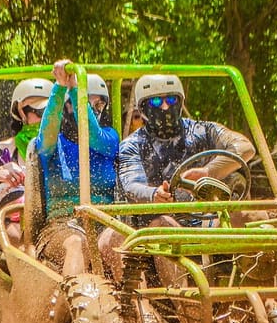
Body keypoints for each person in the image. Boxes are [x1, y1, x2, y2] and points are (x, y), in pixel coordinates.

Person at [100, 74, 256, 282]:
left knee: (250, 216)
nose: (164, 107)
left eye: (171, 100)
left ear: (180, 101)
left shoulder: (201, 130)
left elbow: (245, 147)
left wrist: (209, 171)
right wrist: (154, 194)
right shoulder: (132, 145)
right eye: (156, 101)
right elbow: (131, 185)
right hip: (157, 226)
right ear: (143, 107)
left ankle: (267, 296)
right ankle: (188, 304)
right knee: (165, 226)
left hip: (206, 220)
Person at [32, 59, 119, 276]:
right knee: (77, 244)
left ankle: (137, 307)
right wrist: (61, 88)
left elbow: (91, 133)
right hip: (62, 224)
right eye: (81, 103)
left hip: (103, 222)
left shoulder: (108, 138)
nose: (90, 110)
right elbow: (47, 133)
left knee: (118, 243)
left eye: (97, 105)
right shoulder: (53, 143)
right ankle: (77, 307)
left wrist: (76, 92)